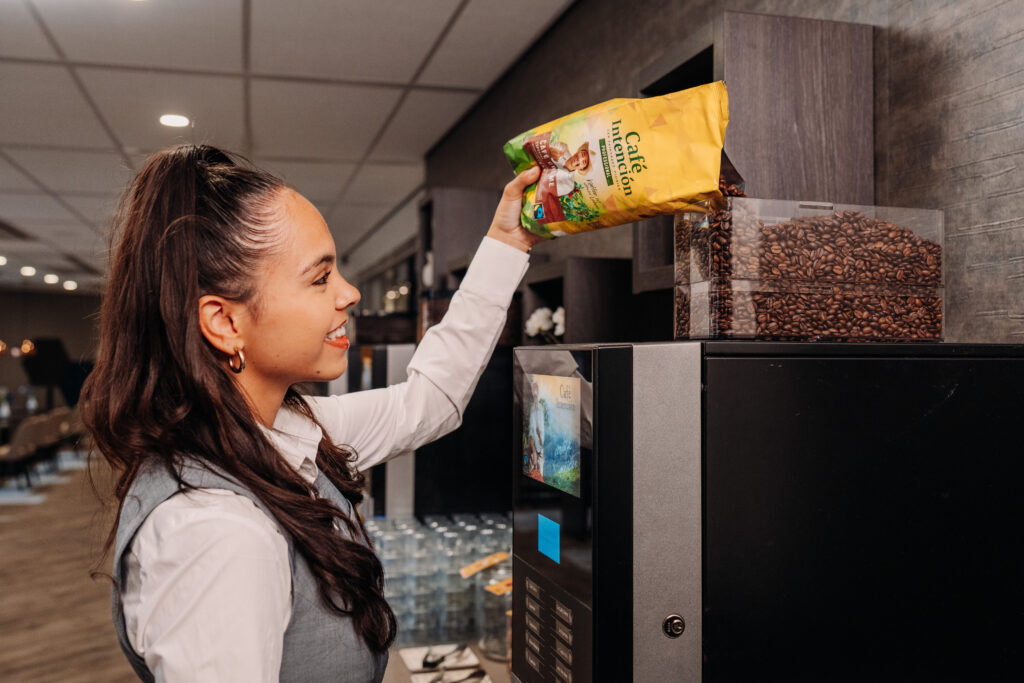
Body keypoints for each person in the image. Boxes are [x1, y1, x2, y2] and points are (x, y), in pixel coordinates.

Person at [81, 144, 543, 682]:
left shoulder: (280, 434)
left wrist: (508, 241)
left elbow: (430, 399)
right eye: (320, 277)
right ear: (225, 322)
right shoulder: (216, 532)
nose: (348, 294)